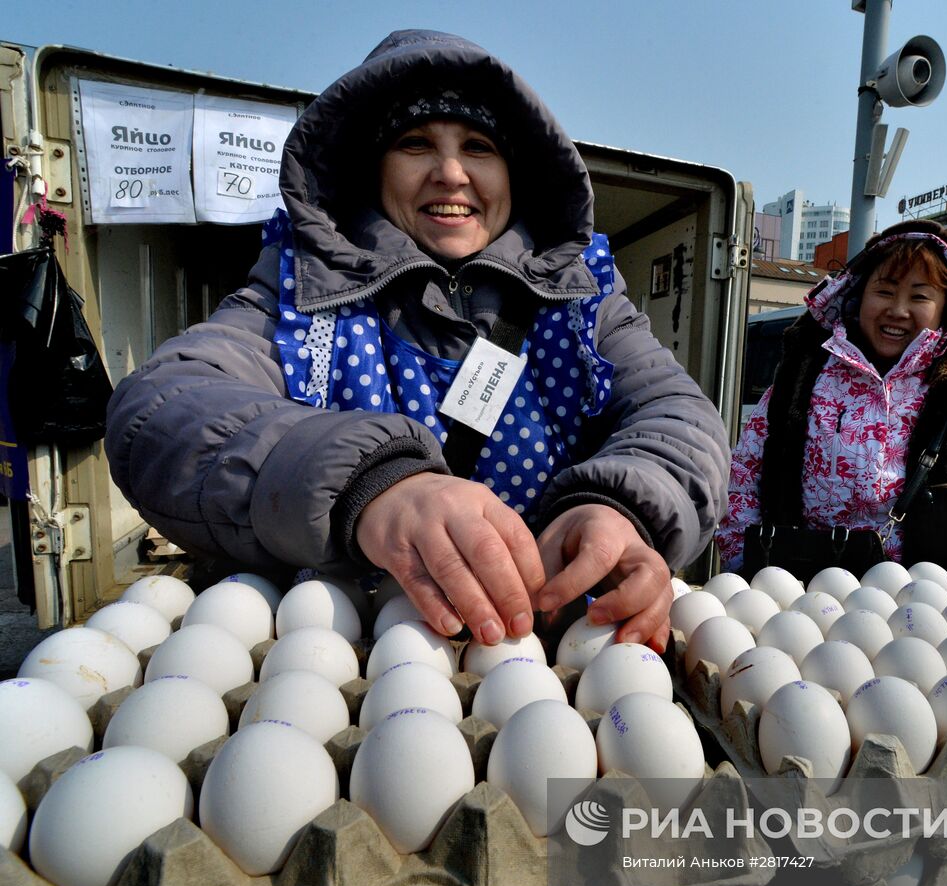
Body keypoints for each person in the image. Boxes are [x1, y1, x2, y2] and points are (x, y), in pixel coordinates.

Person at [105, 30, 729, 650]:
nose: (451, 173)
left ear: (514, 174)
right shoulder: (305, 289)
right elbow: (161, 409)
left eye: (479, 147)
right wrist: (371, 486)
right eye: (415, 144)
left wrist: (619, 507)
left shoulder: (579, 296)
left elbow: (678, 415)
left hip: (537, 643)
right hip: (352, 652)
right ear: (373, 169)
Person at [716, 220, 947, 580]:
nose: (898, 310)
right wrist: (745, 567)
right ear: (857, 295)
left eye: (919, 296)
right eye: (884, 291)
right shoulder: (801, 383)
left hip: (924, 607)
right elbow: (742, 482)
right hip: (801, 593)